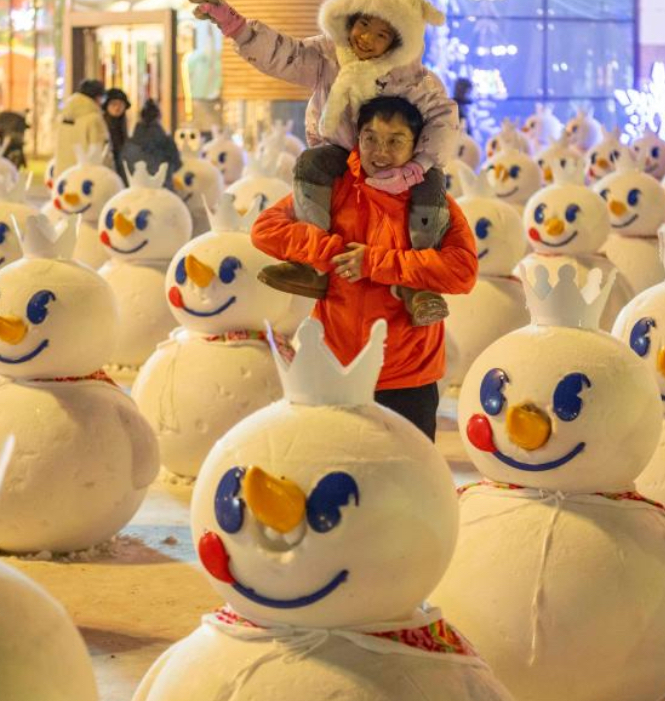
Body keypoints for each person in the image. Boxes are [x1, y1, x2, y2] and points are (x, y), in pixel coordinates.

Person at [194, 0, 460, 327]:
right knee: (311, 163)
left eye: (382, 34)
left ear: (398, 42)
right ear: (348, 17)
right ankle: (311, 264)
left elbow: (443, 119)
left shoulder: (414, 79)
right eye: (364, 24)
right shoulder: (327, 56)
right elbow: (281, 54)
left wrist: (417, 166)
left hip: (401, 168)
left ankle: (417, 286)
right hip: (337, 154)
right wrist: (233, 25)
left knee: (432, 184)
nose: (366, 38)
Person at [251, 96, 478, 440]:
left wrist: (375, 262)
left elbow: (462, 271)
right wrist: (332, 251)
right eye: (370, 138)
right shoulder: (335, 190)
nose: (380, 151)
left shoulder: (432, 203)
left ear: (416, 145)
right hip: (334, 365)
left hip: (407, 374)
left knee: (404, 479)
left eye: (394, 141)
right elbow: (265, 229)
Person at [122, 99, 182, 190]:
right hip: (162, 191)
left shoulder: (130, 144)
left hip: (135, 193)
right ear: (158, 117)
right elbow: (177, 165)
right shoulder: (166, 142)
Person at [54, 78, 110, 174]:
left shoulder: (64, 116)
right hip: (85, 179)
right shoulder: (94, 119)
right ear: (97, 97)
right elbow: (97, 152)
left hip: (63, 175)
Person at [103, 88, 132, 183]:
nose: (117, 108)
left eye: (120, 104)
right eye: (113, 104)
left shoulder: (123, 125)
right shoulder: (101, 125)